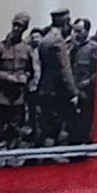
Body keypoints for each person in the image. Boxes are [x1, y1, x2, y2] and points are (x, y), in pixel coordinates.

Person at [0, 12, 34, 150]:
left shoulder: (27, 49)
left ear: (25, 29)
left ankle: (11, 162)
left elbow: (31, 70)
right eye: (15, 25)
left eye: (20, 26)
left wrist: (26, 76)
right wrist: (7, 77)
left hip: (17, 99)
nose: (16, 28)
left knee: (14, 130)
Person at [32, 8, 77, 147]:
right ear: (64, 22)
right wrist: (73, 92)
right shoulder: (58, 41)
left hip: (45, 90)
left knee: (45, 127)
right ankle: (45, 160)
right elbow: (64, 70)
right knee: (53, 129)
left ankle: (34, 158)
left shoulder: (45, 39)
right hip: (56, 92)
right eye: (68, 21)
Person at [67, 17, 97, 145]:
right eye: (74, 31)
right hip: (73, 92)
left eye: (79, 31)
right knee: (72, 126)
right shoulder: (72, 49)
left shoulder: (93, 48)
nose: (75, 34)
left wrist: (88, 82)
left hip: (86, 94)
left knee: (84, 125)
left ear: (86, 31)